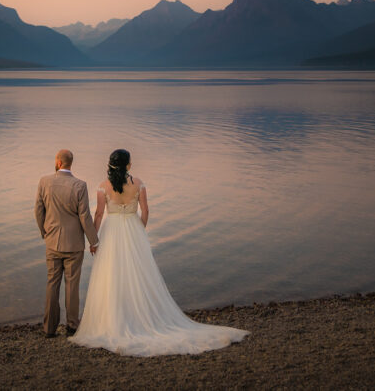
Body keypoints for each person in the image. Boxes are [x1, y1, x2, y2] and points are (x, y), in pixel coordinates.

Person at [69, 149, 248, 356]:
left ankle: (113, 318)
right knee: (140, 274)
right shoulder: (138, 183)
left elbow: (99, 214)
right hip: (133, 229)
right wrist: (140, 230)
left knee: (112, 273)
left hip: (112, 232)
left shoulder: (103, 186)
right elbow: (145, 210)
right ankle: (141, 314)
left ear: (110, 164)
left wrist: (94, 240)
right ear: (128, 165)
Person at [34, 149, 100, 338]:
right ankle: (72, 326)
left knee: (52, 283)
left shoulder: (44, 182)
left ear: (58, 162)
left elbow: (38, 211)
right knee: (72, 285)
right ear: (71, 163)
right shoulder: (80, 185)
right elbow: (85, 216)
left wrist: (44, 232)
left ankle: (49, 329)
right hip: (74, 244)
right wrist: (93, 241)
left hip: (52, 242)